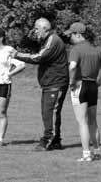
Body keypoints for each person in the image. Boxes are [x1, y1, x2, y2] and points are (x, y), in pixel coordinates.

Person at [10, 18, 69, 151]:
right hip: (50, 83)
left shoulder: (53, 41)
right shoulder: (47, 40)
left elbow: (38, 57)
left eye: (37, 29)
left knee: (50, 112)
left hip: (56, 82)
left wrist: (17, 54)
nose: (35, 31)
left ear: (45, 28)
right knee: (49, 112)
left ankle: (47, 140)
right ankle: (56, 142)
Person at [65, 22, 101, 161]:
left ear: (78, 35)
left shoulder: (76, 49)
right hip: (93, 86)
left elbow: (72, 67)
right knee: (93, 121)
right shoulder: (97, 49)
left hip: (80, 85)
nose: (70, 38)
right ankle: (97, 151)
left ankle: (86, 154)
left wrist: (71, 82)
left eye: (71, 35)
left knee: (82, 121)